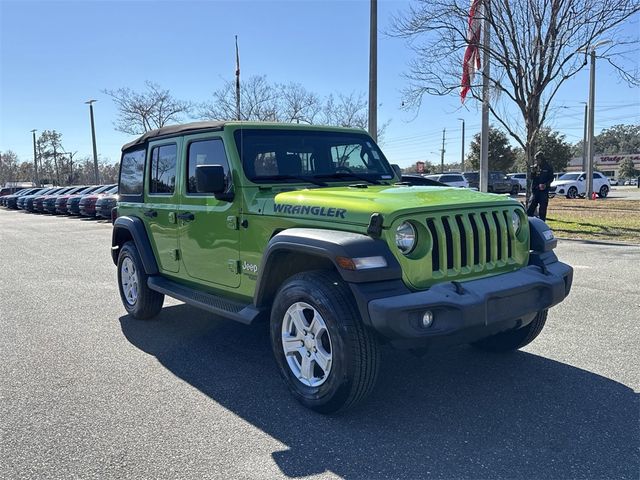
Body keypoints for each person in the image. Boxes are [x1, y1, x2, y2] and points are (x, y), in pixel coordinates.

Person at [527, 153, 554, 221]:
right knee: (530, 209)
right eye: (536, 160)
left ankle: (542, 223)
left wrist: (546, 185)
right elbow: (531, 178)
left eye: (538, 159)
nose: (536, 161)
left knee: (542, 210)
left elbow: (551, 178)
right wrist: (533, 172)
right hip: (535, 191)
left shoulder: (548, 167)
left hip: (544, 192)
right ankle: (527, 224)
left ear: (541, 159)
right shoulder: (535, 167)